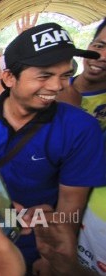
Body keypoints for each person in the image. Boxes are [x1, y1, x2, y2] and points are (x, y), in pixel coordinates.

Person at [0, 23, 105, 274]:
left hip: (33, 249)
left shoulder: (81, 129)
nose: (58, 86)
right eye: (44, 75)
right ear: (9, 78)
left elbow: (71, 207)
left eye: (64, 74)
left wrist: (53, 257)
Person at [56, 18, 106, 274]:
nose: (102, 56)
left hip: (91, 222)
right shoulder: (54, 88)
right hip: (47, 211)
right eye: (99, 44)